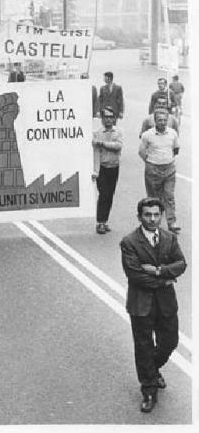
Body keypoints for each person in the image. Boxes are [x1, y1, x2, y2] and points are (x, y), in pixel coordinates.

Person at [120, 197, 186, 413]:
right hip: (141, 304)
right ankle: (149, 390)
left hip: (166, 303)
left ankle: (152, 369)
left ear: (161, 215)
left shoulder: (169, 238)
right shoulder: (129, 242)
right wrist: (165, 279)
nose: (152, 219)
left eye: (156, 214)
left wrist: (158, 271)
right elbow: (135, 275)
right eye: (147, 215)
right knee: (143, 346)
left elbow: (181, 263)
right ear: (140, 217)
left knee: (170, 342)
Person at [138, 110, 180, 233]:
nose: (162, 122)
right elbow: (141, 152)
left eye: (164, 120)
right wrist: (151, 161)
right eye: (159, 120)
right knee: (154, 199)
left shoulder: (172, 133)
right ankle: (154, 223)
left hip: (169, 169)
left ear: (168, 121)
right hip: (153, 170)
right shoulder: (147, 135)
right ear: (155, 121)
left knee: (169, 196)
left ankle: (172, 222)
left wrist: (166, 159)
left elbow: (176, 149)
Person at [92, 106, 123, 234]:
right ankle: (100, 222)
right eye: (106, 117)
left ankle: (105, 221)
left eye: (111, 117)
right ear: (102, 119)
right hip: (103, 168)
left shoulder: (118, 132)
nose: (109, 120)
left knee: (110, 195)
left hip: (114, 167)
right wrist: (95, 170)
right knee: (103, 194)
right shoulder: (97, 133)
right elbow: (95, 151)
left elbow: (118, 146)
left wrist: (103, 144)